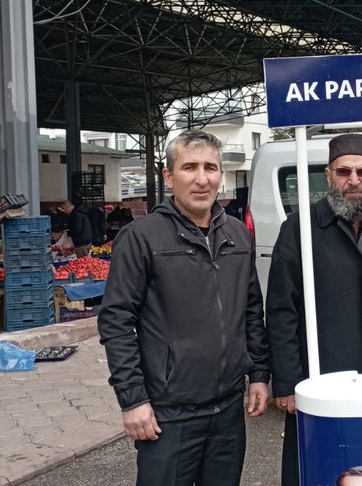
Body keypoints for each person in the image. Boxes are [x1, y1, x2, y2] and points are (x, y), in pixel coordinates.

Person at [98, 129, 270, 486]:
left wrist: (259, 374)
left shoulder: (238, 235)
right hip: (169, 413)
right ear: (168, 176)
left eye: (211, 167)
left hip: (227, 411)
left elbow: (251, 309)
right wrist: (132, 401)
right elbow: (116, 322)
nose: (202, 178)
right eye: (189, 167)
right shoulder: (142, 238)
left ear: (221, 175)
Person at [265, 133, 362, 486]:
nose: (354, 180)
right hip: (322, 382)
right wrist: (288, 381)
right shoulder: (299, 230)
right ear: (328, 175)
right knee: (319, 469)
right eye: (344, 171)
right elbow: (281, 310)